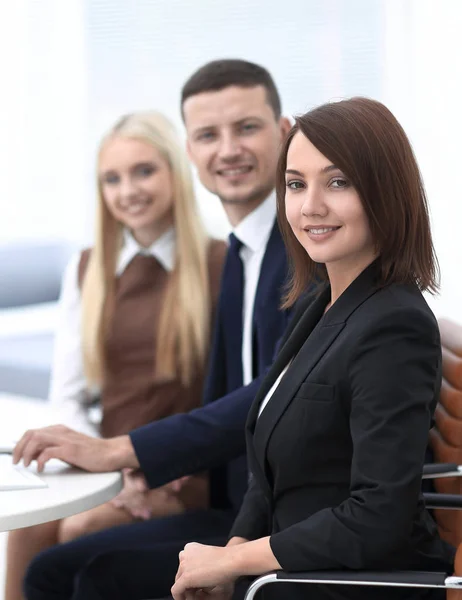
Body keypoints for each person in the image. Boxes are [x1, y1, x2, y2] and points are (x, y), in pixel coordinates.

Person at [14, 59, 293, 600]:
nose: (229, 149)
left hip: (222, 493)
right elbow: (72, 395)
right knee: (41, 554)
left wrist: (133, 458)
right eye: (209, 135)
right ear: (192, 152)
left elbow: (265, 398)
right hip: (194, 477)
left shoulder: (248, 256)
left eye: (247, 128)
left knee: (84, 554)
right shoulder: (241, 252)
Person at [170, 97, 456, 600]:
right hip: (289, 573)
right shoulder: (320, 300)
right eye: (296, 184)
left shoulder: (394, 326)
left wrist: (234, 560)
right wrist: (232, 559)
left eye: (338, 182)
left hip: (352, 584)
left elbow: (377, 519)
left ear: (385, 193)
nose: (310, 206)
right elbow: (267, 472)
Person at [5, 110, 227, 600]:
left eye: (144, 171)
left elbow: (231, 400)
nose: (128, 190)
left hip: (182, 475)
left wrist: (150, 464)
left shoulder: (220, 264)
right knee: (28, 531)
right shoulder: (88, 268)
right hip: (107, 467)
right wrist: (110, 467)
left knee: (76, 531)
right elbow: (68, 397)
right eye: (112, 178)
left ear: (175, 170)